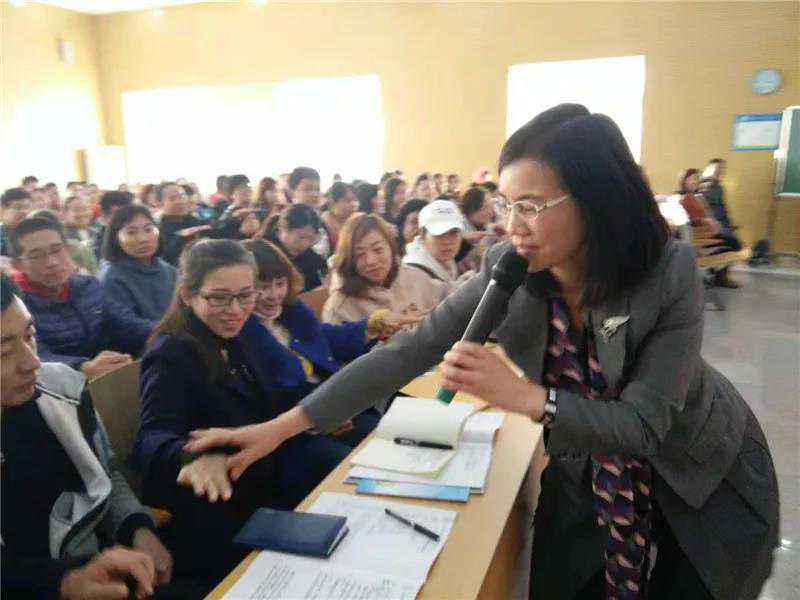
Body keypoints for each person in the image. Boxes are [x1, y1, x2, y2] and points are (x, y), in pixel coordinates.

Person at [186, 104, 779, 600]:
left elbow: (645, 427)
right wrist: (280, 429)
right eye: (506, 204)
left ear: (598, 199)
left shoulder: (665, 271)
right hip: (589, 472)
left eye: (531, 205)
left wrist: (527, 397)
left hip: (694, 475)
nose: (512, 225)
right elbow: (408, 351)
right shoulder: (510, 272)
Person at [132, 240, 345, 586]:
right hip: (221, 508)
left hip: (266, 480)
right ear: (188, 295)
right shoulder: (172, 354)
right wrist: (190, 457)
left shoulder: (236, 337)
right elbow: (150, 438)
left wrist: (321, 408)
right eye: (219, 298)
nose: (235, 309)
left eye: (246, 295)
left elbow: (271, 398)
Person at [0, 273, 176, 600]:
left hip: (98, 572)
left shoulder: (63, 388)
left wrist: (138, 528)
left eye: (30, 336)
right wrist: (64, 582)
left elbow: (102, 474)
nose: (32, 362)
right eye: (4, 352)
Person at [240, 239, 415, 444]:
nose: (274, 295)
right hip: (297, 431)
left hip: (334, 405)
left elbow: (324, 338)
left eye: (280, 284)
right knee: (388, 439)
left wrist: (373, 324)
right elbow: (274, 396)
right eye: (262, 287)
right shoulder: (243, 333)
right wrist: (321, 415)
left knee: (403, 429)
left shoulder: (291, 311)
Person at [9, 216, 152, 379]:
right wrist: (81, 368)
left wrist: (165, 332)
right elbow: (35, 355)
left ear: (68, 249)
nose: (52, 262)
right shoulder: (14, 305)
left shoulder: (87, 285)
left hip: (104, 375)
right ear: (18, 265)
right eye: (37, 256)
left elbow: (127, 323)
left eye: (57, 250)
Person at [322, 213, 448, 324]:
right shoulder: (340, 308)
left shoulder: (412, 276)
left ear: (391, 248)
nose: (371, 261)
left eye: (378, 249)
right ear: (349, 259)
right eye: (359, 254)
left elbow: (447, 297)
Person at [98, 205, 177, 321]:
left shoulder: (168, 270)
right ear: (116, 239)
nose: (143, 239)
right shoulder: (112, 278)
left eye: (148, 229)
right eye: (131, 232)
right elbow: (126, 323)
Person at [403, 199, 470, 291]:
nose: (447, 241)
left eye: (453, 232)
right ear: (422, 234)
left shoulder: (444, 260)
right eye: (439, 234)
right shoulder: (413, 272)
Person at [264, 203, 328, 291]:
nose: (305, 244)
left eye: (311, 239)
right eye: (301, 237)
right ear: (284, 227)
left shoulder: (312, 258)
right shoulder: (263, 250)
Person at [94, 191, 134, 260]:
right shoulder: (101, 246)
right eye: (118, 215)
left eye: (128, 214)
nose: (124, 219)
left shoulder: (136, 236)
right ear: (103, 217)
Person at [321, 182, 358, 250]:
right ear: (333, 202)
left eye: (355, 200)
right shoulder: (322, 225)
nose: (353, 205)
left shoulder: (355, 221)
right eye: (348, 201)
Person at [1, 187, 33, 256]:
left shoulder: (36, 233)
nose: (24, 212)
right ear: (3, 210)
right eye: (18, 207)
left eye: (26, 207)